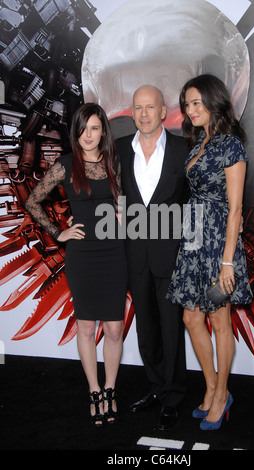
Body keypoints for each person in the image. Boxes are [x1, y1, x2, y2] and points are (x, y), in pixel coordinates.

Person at [25, 103, 127, 426]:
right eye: (83, 129)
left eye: (95, 128)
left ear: (103, 132)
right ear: (75, 132)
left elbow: (121, 200)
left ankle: (111, 388)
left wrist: (123, 215)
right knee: (86, 326)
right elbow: (32, 201)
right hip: (82, 257)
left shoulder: (113, 162)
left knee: (113, 328)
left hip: (113, 253)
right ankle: (94, 390)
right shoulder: (66, 165)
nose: (88, 135)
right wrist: (59, 232)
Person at [167, 74, 252, 431]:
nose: (190, 110)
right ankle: (214, 386)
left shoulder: (231, 145)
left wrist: (228, 262)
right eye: (187, 104)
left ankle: (220, 395)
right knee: (191, 318)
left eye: (197, 102)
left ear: (215, 103)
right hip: (193, 234)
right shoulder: (198, 142)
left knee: (219, 319)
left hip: (219, 240)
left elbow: (234, 210)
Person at [116, 85, 189, 431]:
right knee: (146, 328)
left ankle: (173, 396)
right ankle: (156, 388)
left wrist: (193, 248)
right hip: (136, 254)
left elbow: (194, 202)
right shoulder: (118, 150)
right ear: (132, 112)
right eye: (138, 108)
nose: (144, 114)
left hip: (172, 253)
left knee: (171, 328)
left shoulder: (182, 149)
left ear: (163, 111)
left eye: (151, 107)